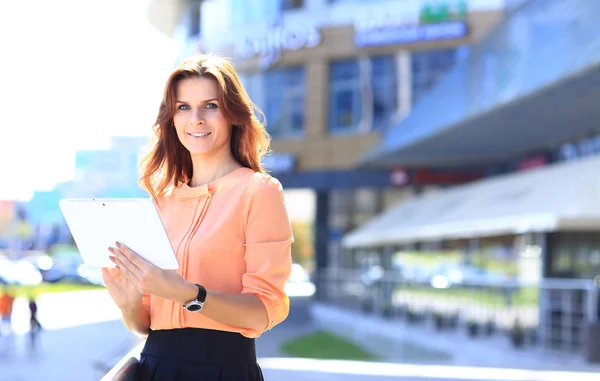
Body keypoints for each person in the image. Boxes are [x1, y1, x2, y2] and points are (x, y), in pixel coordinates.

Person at [101, 53, 293, 381]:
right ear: (172, 119)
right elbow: (145, 326)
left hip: (224, 371)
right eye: (184, 107)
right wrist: (129, 304)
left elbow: (263, 313)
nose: (196, 119)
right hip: (155, 369)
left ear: (233, 114)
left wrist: (191, 295)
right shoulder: (162, 201)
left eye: (211, 106)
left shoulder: (258, 191)